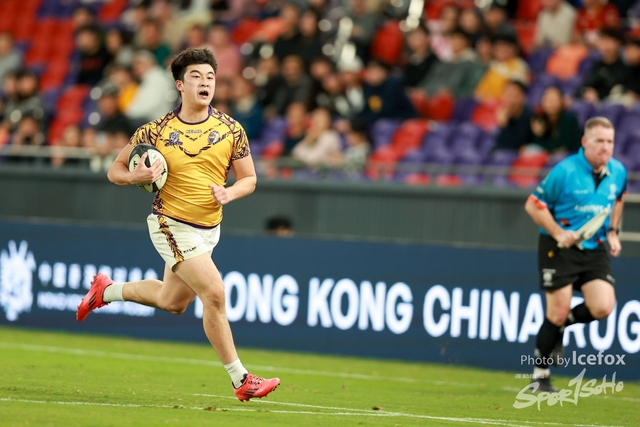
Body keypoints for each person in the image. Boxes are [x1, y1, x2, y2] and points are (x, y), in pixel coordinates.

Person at [75, 47, 280, 402]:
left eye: (210, 77)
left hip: (209, 228)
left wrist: (230, 193)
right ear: (180, 85)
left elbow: (249, 179)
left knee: (173, 302)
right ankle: (241, 379)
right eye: (196, 76)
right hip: (171, 223)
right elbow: (115, 170)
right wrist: (134, 176)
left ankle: (105, 291)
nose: (205, 82)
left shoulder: (231, 129)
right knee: (214, 293)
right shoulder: (155, 131)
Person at [524, 116, 626, 392]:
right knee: (556, 312)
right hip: (559, 247)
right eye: (599, 141)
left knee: (603, 306)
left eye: (610, 141)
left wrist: (613, 231)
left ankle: (561, 328)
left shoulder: (618, 171)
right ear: (585, 142)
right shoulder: (565, 171)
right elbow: (533, 205)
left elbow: (618, 198)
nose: (605, 147)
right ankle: (539, 376)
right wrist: (558, 232)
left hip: (594, 246)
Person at [528, 85, 582, 154]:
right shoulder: (538, 119)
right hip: (543, 156)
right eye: (548, 100)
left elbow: (568, 145)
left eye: (555, 100)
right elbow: (532, 144)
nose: (551, 103)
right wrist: (537, 135)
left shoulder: (570, 120)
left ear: (561, 101)